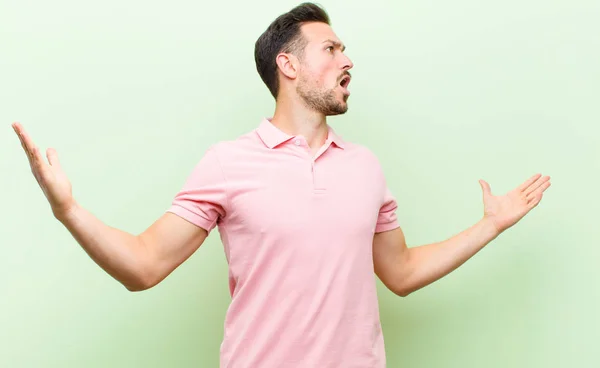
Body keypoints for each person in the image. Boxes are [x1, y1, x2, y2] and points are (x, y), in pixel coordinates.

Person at [11, 2, 551, 367]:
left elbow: (402, 272)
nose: (348, 60)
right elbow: (143, 266)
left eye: (345, 50)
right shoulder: (228, 163)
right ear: (287, 65)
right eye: (332, 49)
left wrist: (491, 225)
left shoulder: (365, 166)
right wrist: (68, 211)